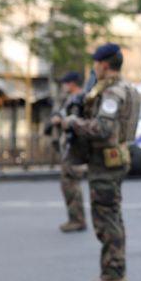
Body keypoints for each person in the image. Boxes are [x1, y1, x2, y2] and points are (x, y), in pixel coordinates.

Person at [61, 43, 141, 281]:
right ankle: (116, 272)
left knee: (106, 219)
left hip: (106, 162)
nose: (94, 67)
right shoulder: (125, 88)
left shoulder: (112, 93)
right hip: (114, 159)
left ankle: (112, 277)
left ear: (104, 65)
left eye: (96, 63)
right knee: (112, 216)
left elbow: (103, 129)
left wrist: (74, 123)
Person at [47, 70, 88, 232]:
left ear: (72, 83)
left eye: (65, 83)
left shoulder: (79, 100)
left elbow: (77, 122)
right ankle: (75, 218)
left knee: (71, 184)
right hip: (69, 148)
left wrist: (61, 120)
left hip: (75, 148)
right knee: (68, 184)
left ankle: (77, 219)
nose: (63, 86)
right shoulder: (71, 99)